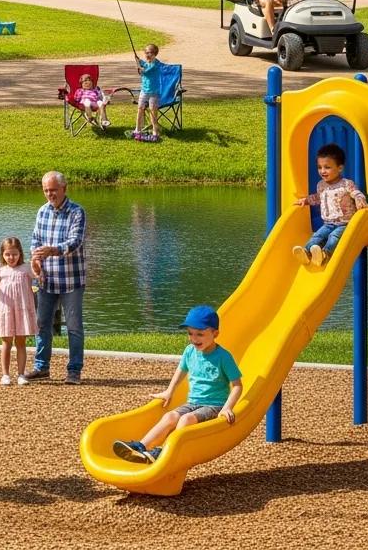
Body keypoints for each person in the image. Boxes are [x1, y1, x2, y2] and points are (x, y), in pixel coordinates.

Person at [113, 305, 242, 465]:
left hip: (214, 405)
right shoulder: (190, 351)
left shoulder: (223, 357)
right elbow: (180, 371)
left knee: (185, 419)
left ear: (215, 333)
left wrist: (227, 408)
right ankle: (141, 446)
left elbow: (237, 385)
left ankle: (165, 452)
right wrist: (169, 391)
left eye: (200, 334)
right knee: (170, 416)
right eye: (190, 333)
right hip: (193, 402)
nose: (194, 339)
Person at [25, 171, 86, 384]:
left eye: (53, 190)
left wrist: (52, 250)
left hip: (71, 280)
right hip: (46, 279)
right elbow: (35, 242)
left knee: (74, 326)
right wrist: (36, 260)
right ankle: (42, 367)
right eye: (46, 190)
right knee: (42, 324)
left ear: (64, 189)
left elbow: (74, 242)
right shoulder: (42, 212)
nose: (50, 194)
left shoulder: (77, 212)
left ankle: (74, 370)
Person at [292, 143, 368, 265]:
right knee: (317, 236)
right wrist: (305, 200)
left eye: (327, 167)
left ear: (340, 168)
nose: (322, 171)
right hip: (328, 223)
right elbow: (318, 198)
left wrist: (360, 199)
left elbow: (356, 193)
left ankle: (325, 254)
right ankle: (306, 252)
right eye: (319, 167)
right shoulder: (321, 185)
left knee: (334, 237)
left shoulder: (346, 184)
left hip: (345, 224)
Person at [0, 237, 39, 385]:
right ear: (2, 255)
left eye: (15, 254)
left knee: (21, 342)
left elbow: (38, 275)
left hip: (22, 310)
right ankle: (5, 375)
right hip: (7, 310)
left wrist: (37, 262)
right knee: (6, 342)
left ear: (20, 254)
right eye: (8, 255)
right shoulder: (1, 270)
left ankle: (21, 374)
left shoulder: (26, 268)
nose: (11, 258)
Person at [134, 43, 163, 142]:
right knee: (140, 109)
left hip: (154, 92)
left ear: (155, 54)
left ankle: (155, 131)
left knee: (153, 111)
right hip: (144, 91)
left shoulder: (155, 64)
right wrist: (139, 60)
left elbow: (144, 71)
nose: (147, 55)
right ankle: (137, 129)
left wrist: (139, 65)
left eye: (150, 53)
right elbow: (145, 64)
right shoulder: (148, 62)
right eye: (146, 53)